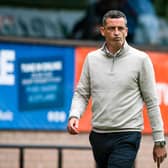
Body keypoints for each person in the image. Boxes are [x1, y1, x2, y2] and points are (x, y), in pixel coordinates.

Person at [67, 10, 167, 168]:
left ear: (126, 31)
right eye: (112, 28)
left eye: (120, 29)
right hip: (98, 134)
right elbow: (82, 93)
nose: (116, 33)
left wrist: (159, 140)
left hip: (128, 134)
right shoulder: (91, 59)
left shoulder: (141, 59)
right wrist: (74, 115)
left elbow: (152, 102)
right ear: (102, 31)